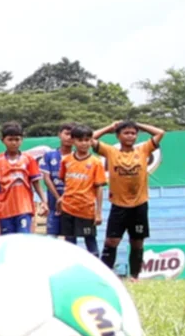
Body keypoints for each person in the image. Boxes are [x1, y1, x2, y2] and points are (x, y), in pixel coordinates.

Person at [93, 120, 166, 281]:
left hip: (139, 205)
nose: (130, 136)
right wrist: (109, 127)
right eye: (126, 133)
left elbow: (160, 132)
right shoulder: (111, 151)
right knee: (111, 241)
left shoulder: (143, 149)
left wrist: (138, 124)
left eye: (133, 133)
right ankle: (106, 276)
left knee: (137, 242)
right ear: (118, 136)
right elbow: (90, 138)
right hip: (118, 205)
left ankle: (134, 276)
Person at [0, 122, 47, 234]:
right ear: (3, 140)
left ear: (21, 140)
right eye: (10, 139)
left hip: (24, 208)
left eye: (17, 139)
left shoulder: (28, 159)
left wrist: (44, 201)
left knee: (23, 239)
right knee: (8, 241)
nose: (14, 143)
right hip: (5, 210)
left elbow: (36, 183)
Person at [56, 125, 106, 256]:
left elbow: (99, 187)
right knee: (70, 244)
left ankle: (95, 267)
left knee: (91, 243)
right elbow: (65, 180)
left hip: (86, 209)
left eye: (87, 140)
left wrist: (98, 213)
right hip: (68, 208)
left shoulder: (96, 162)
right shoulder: (66, 160)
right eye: (80, 140)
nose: (84, 143)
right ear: (73, 141)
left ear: (91, 141)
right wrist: (63, 197)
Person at [39, 123, 74, 237]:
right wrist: (58, 198)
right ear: (59, 135)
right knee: (51, 238)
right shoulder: (49, 155)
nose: (69, 137)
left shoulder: (77, 157)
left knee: (70, 240)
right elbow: (46, 178)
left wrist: (65, 198)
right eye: (67, 134)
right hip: (54, 206)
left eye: (72, 135)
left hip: (72, 207)